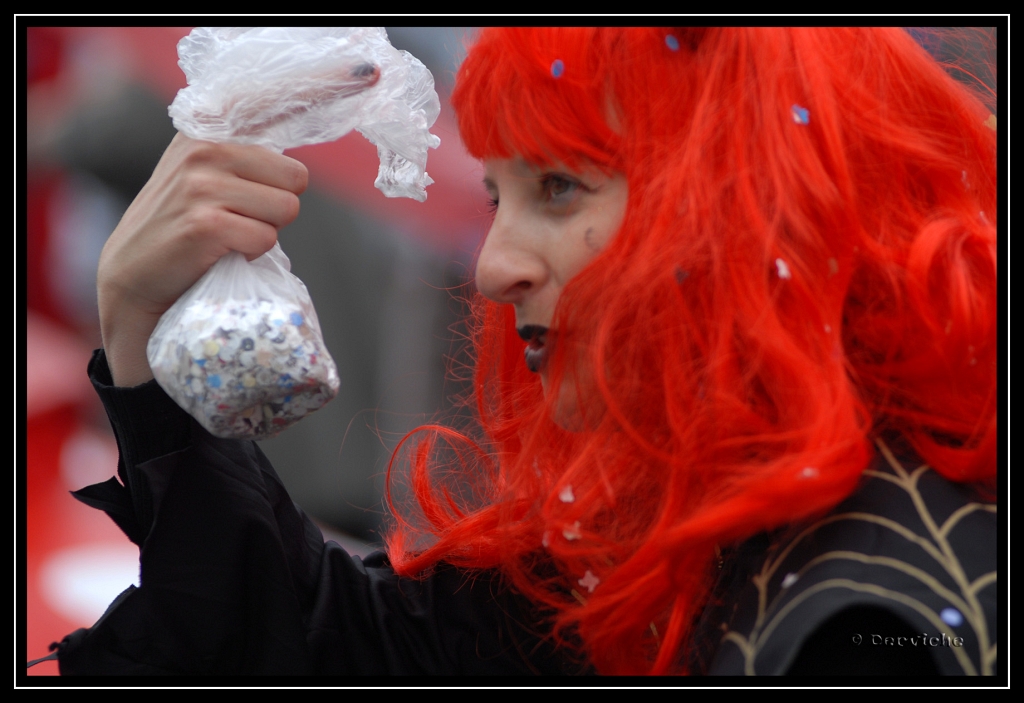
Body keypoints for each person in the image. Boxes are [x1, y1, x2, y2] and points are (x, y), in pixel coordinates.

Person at [48, 27, 997, 676]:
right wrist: (140, 326)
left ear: (752, 204)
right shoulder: (661, 531)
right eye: (497, 197)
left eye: (559, 188)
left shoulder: (865, 625)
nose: (495, 267)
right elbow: (316, 641)